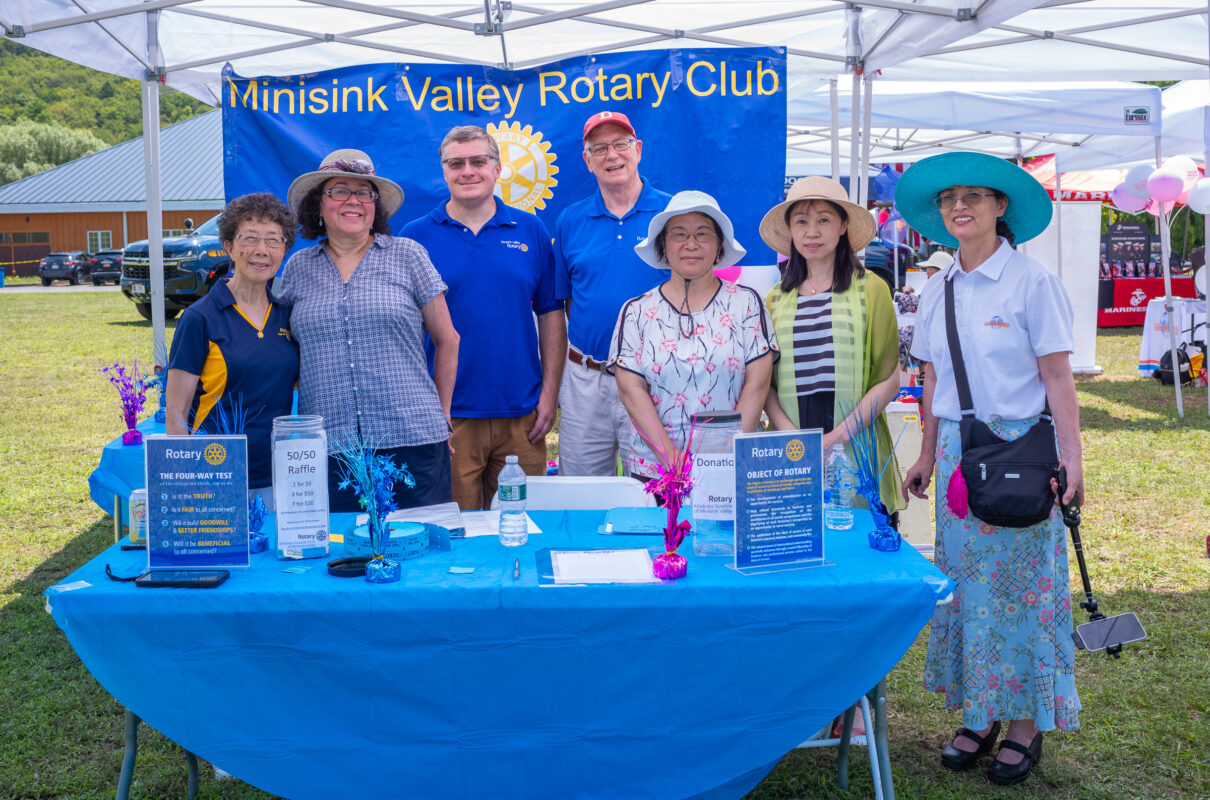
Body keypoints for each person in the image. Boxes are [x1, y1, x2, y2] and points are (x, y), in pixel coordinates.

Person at [896, 152, 1083, 786]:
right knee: (968, 595)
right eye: (950, 199)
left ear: (1001, 208)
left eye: (975, 196)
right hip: (955, 454)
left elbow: (1057, 376)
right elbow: (929, 378)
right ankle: (982, 714)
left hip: (1022, 452)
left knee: (1026, 595)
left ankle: (1026, 722)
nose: (960, 207)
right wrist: (924, 452)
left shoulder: (1032, 282)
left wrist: (1072, 458)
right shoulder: (937, 286)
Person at [279, 149, 460, 512]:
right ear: (318, 204)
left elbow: (447, 339)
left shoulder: (408, 255)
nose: (354, 201)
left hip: (412, 437)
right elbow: (283, 349)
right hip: (331, 447)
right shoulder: (297, 268)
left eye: (364, 192)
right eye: (339, 190)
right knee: (343, 556)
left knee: (422, 553)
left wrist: (442, 413)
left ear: (376, 206)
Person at [402, 126, 564, 510]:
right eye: (456, 164)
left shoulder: (530, 230)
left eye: (478, 161)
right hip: (449, 417)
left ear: (498, 168)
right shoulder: (415, 237)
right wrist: (426, 413)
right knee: (456, 535)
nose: (468, 171)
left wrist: (550, 394)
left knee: (520, 529)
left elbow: (551, 315)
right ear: (444, 171)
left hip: (522, 413)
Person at [759, 177, 905, 521]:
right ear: (790, 231)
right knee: (791, 542)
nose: (812, 231)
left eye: (824, 219)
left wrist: (837, 438)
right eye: (801, 221)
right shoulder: (775, 299)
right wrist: (792, 435)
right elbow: (765, 381)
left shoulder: (871, 289)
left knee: (856, 547)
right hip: (791, 438)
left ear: (842, 226)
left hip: (856, 434)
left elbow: (888, 379)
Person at [608, 191, 775, 477]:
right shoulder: (635, 311)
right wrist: (672, 458)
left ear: (719, 245)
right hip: (655, 472)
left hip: (732, 468)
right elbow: (631, 390)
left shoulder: (747, 303)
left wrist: (721, 463)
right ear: (663, 244)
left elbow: (757, 385)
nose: (691, 245)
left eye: (703, 234)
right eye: (679, 234)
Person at [554, 111, 671, 476]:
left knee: (652, 491)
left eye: (620, 144)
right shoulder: (570, 220)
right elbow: (568, 303)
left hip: (657, 379)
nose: (612, 155)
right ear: (587, 161)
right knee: (581, 495)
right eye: (599, 148)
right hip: (587, 378)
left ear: (638, 150)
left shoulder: (672, 212)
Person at [166, 193, 299, 508]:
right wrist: (190, 483)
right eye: (249, 238)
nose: (261, 251)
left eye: (273, 240)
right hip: (217, 477)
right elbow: (176, 416)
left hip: (280, 477)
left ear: (285, 250)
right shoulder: (200, 318)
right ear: (228, 246)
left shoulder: (287, 315)